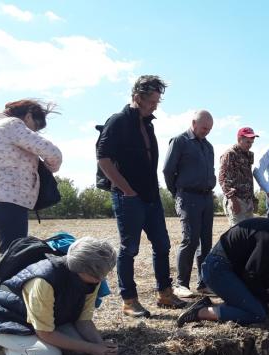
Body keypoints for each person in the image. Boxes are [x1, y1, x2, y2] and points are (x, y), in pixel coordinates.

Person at [97, 75, 185, 317]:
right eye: (152, 102)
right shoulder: (117, 122)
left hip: (151, 196)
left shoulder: (148, 124)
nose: (155, 106)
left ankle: (165, 294)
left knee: (162, 244)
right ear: (137, 97)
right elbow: (103, 159)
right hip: (128, 198)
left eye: (157, 101)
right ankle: (129, 300)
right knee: (130, 248)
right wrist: (126, 189)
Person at [0, 237, 119, 355]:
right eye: (98, 274)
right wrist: (92, 348)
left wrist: (101, 346)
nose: (102, 278)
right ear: (82, 268)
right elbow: (45, 333)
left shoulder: (91, 281)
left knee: (78, 352)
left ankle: (25, 344)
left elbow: (83, 321)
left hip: (44, 321)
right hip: (6, 319)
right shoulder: (45, 280)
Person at [176, 210, 269, 327]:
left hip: (230, 270)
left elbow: (264, 272)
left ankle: (211, 305)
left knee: (262, 307)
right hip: (217, 269)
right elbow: (251, 275)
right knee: (256, 314)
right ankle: (200, 312)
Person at [0, 99, 63, 254]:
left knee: (10, 253)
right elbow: (53, 153)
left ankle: (7, 277)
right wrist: (51, 167)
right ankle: (5, 278)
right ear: (28, 116)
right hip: (9, 199)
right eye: (34, 128)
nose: (33, 132)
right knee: (13, 256)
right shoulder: (12, 125)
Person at [163, 110, 216, 299]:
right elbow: (168, 170)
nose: (206, 132)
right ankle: (181, 284)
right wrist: (177, 193)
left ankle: (204, 283)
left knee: (206, 243)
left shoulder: (208, 146)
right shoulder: (179, 141)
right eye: (204, 128)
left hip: (206, 197)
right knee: (190, 240)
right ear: (193, 123)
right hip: (188, 197)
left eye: (209, 129)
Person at [219, 127, 259, 226]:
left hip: (247, 201)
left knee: (248, 234)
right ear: (239, 139)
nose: (250, 145)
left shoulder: (248, 155)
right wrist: (233, 200)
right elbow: (223, 179)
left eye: (251, 143)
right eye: (247, 142)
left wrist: (253, 199)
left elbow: (248, 179)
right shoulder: (230, 154)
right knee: (238, 234)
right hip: (236, 200)